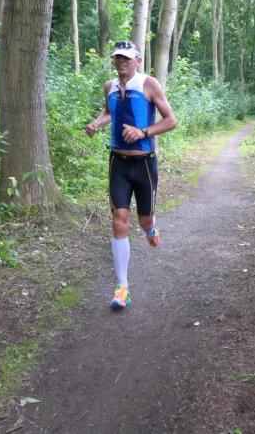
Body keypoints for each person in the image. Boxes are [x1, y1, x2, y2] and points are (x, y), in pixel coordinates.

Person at [85, 40, 177, 311]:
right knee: (119, 220)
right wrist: (96, 123)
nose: (121, 62)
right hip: (118, 164)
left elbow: (171, 120)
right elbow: (108, 111)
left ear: (137, 60)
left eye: (126, 58)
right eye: (118, 58)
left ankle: (150, 228)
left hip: (144, 163)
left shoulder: (149, 84)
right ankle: (122, 287)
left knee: (143, 219)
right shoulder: (109, 87)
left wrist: (143, 132)